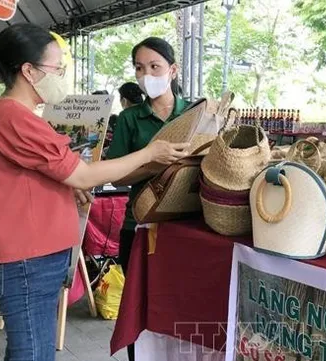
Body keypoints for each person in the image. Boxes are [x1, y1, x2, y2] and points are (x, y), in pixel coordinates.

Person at [0, 23, 190, 361]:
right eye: (56, 68)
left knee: (35, 348)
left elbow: (50, 172)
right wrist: (151, 153)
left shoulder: (17, 117)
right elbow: (85, 173)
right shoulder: (12, 117)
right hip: (28, 259)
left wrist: (64, 185)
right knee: (32, 352)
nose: (61, 75)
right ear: (29, 71)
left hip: (37, 254)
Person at [106, 37, 190, 361]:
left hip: (185, 228)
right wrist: (151, 163)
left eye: (155, 66)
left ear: (172, 69)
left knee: (180, 306)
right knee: (139, 309)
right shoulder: (129, 119)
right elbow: (116, 175)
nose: (147, 75)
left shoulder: (192, 114)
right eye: (140, 68)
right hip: (139, 225)